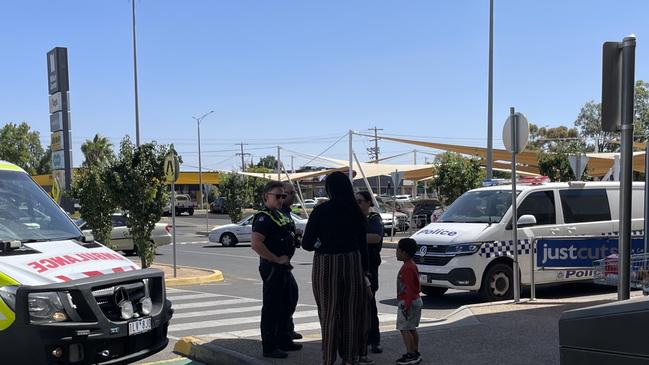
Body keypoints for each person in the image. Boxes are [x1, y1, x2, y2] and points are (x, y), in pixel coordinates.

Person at [302, 171, 371, 365]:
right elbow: (362, 245)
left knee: (329, 313)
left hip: (326, 264)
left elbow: (307, 244)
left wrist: (320, 245)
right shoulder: (355, 211)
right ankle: (349, 359)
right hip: (352, 263)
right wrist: (366, 271)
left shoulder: (321, 211)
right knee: (350, 313)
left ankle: (328, 359)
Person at [251, 181, 303, 359]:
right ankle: (270, 346)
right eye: (277, 196)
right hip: (273, 267)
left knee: (289, 300)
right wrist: (275, 258)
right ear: (266, 196)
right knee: (272, 307)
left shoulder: (280, 215)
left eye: (283, 196)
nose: (281, 199)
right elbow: (256, 243)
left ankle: (284, 338)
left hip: (284, 267)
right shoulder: (263, 217)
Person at [356, 191, 384, 359]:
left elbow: (375, 237)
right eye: (355, 201)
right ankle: (360, 340)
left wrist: (354, 236)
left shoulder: (374, 218)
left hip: (370, 265)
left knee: (370, 303)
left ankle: (375, 340)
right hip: (355, 264)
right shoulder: (352, 218)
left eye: (360, 201)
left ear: (368, 203)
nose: (357, 204)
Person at [395, 238, 423, 365]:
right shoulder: (411, 264)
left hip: (408, 301)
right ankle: (415, 351)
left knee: (404, 328)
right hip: (415, 300)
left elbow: (410, 288)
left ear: (404, 252)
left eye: (398, 250)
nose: (396, 252)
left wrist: (406, 304)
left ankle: (410, 354)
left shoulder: (407, 268)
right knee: (411, 328)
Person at [281, 181, 302, 341]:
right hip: (276, 264)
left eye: (294, 193)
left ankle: (287, 329)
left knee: (291, 296)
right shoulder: (275, 213)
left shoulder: (287, 212)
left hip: (286, 263)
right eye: (291, 193)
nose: (294, 196)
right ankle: (281, 335)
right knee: (281, 301)